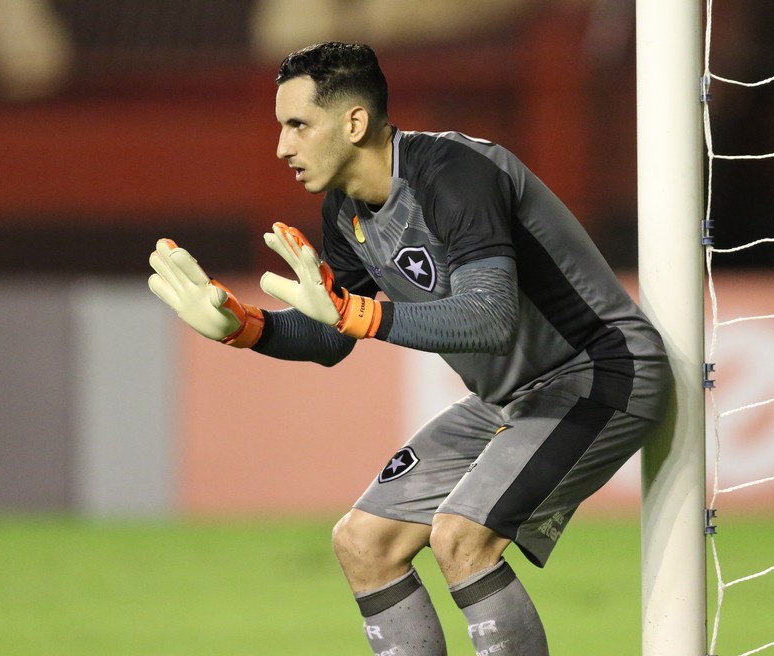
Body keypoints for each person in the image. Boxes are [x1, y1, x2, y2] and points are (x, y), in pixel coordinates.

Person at [148, 41, 671, 656]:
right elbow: (332, 335)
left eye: (297, 125)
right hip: (508, 398)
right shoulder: (346, 210)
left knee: (462, 536)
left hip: (599, 371)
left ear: (354, 122)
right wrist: (247, 328)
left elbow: (491, 317)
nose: (282, 147)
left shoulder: (454, 174)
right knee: (363, 542)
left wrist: (356, 313)